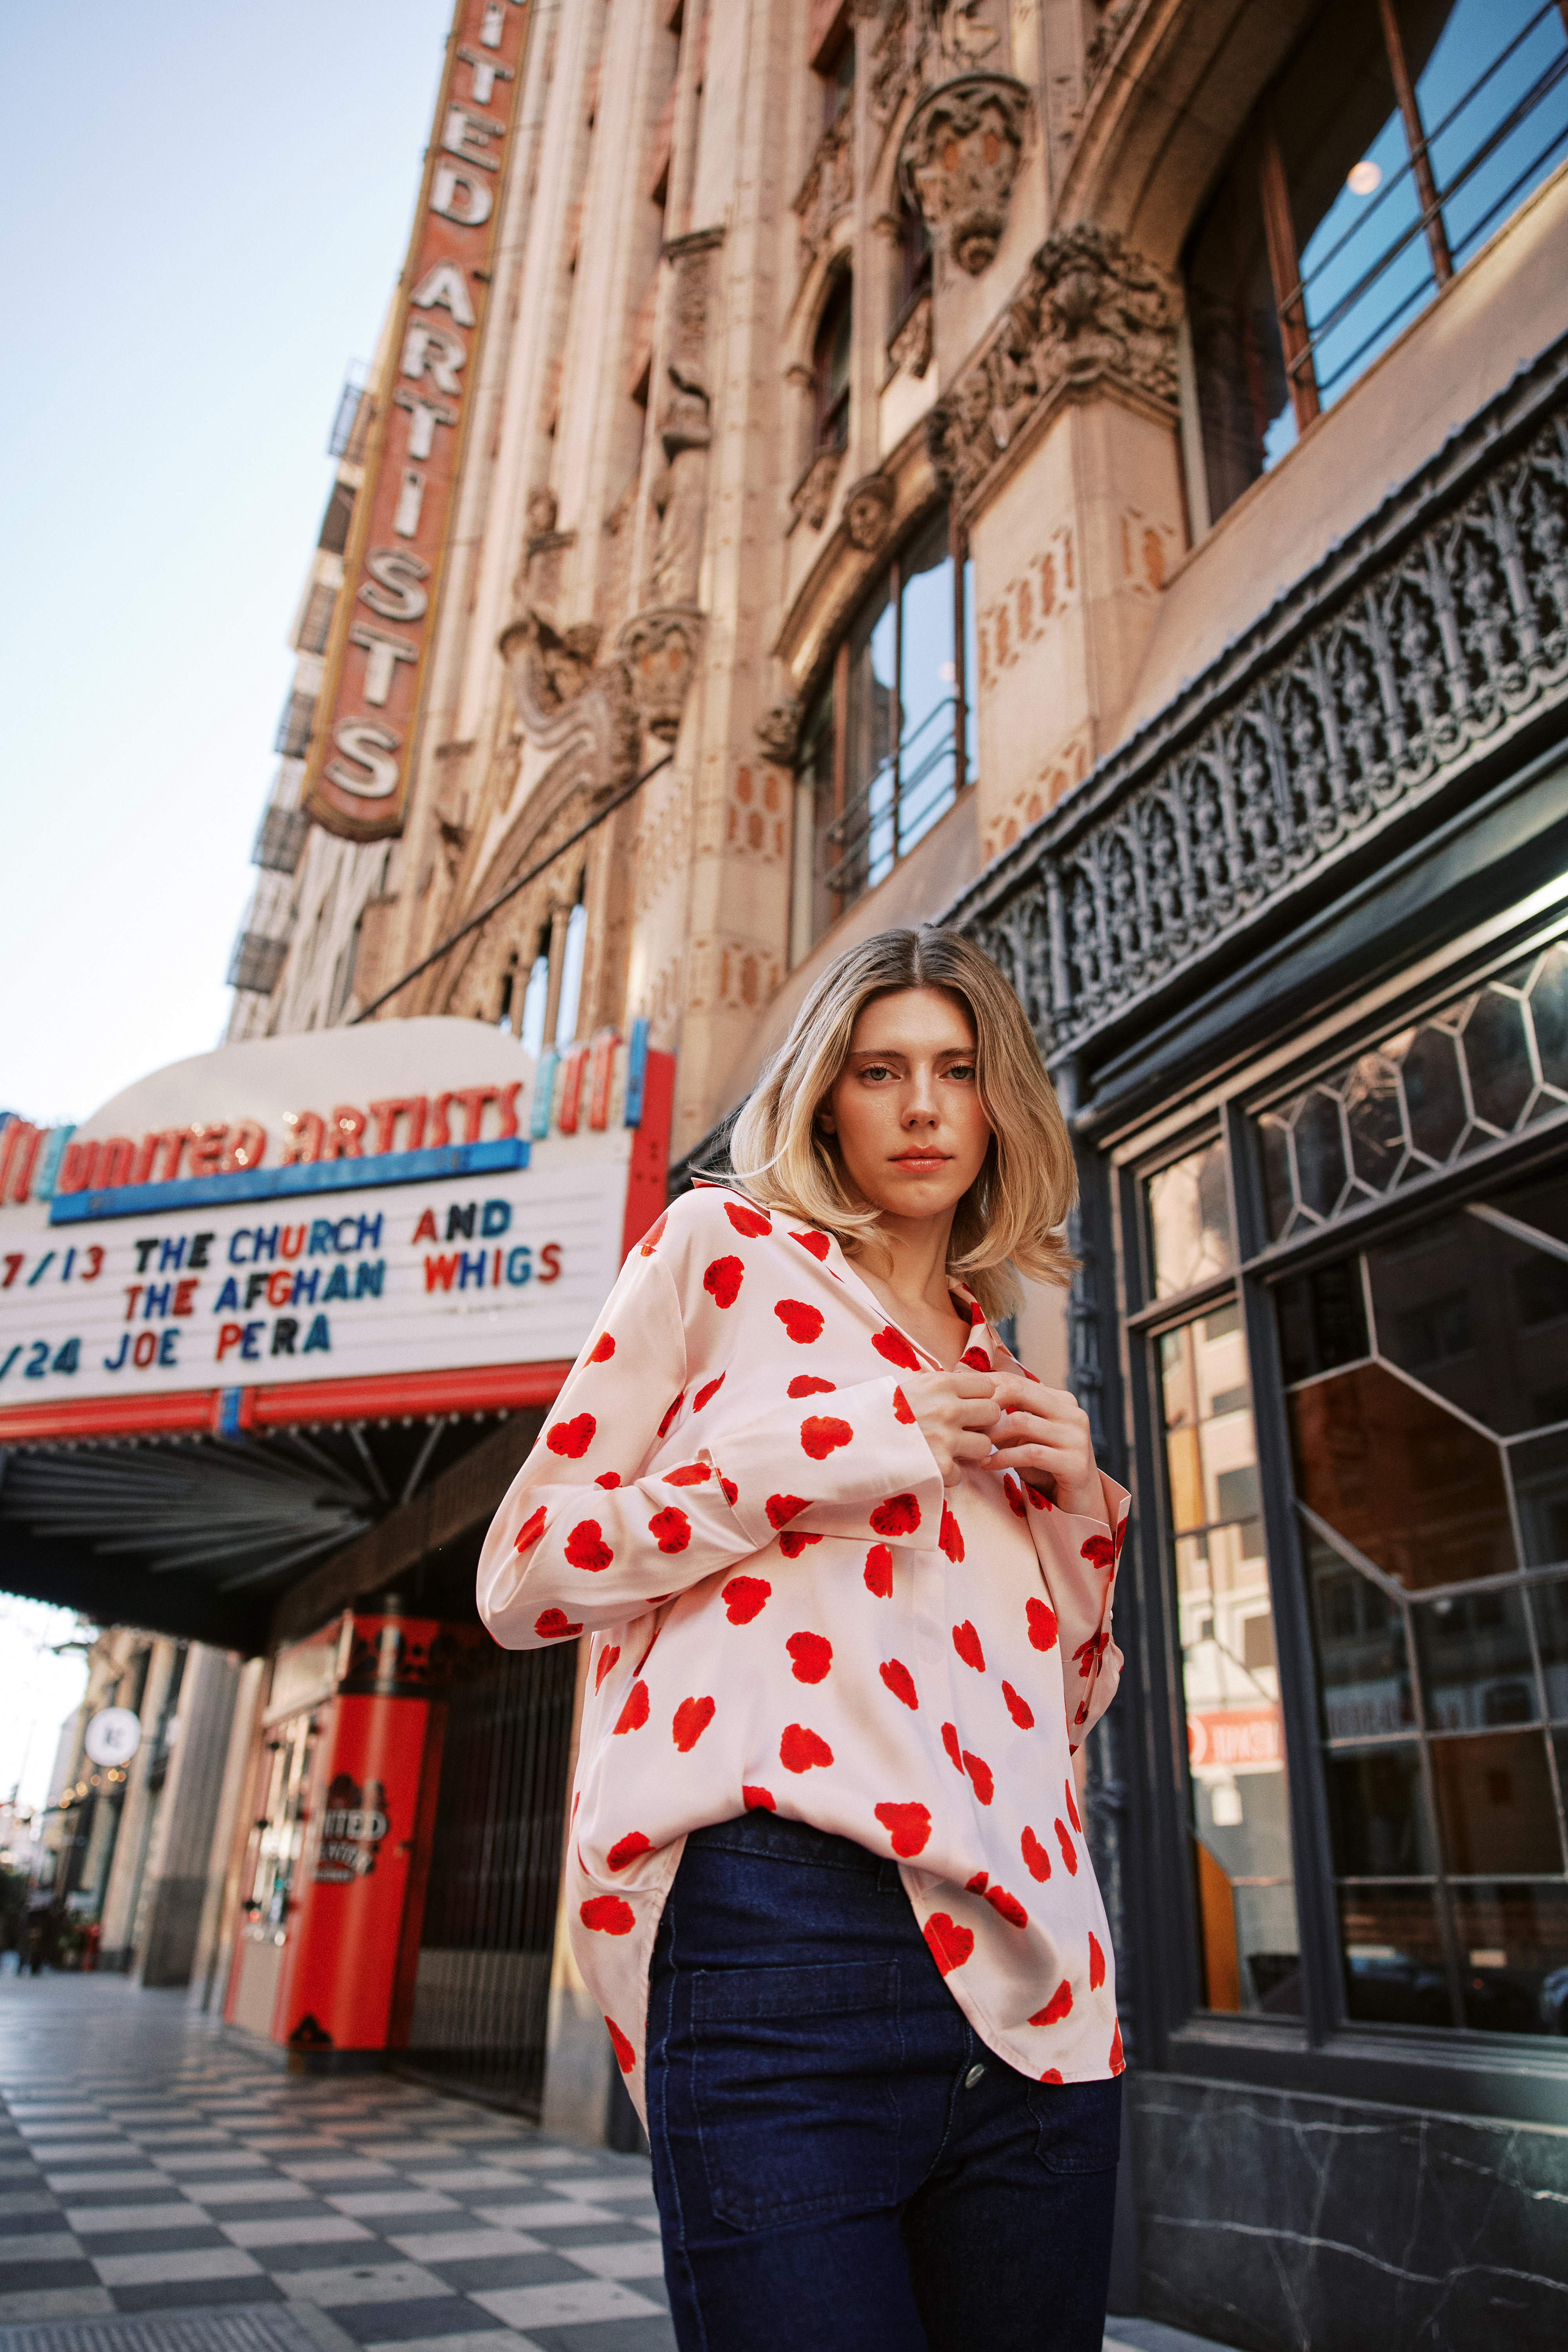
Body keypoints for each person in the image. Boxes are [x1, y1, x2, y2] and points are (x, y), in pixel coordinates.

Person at [479, 927, 1129, 2351]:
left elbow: (1063, 1711)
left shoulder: (1003, 1368)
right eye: (878, 1069)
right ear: (825, 1096)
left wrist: (1082, 1503)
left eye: (958, 1071)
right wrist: (842, 1447)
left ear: (998, 1102)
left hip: (1045, 1984)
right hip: (784, 1938)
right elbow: (523, 1571)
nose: (921, 1107)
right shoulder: (722, 1253)